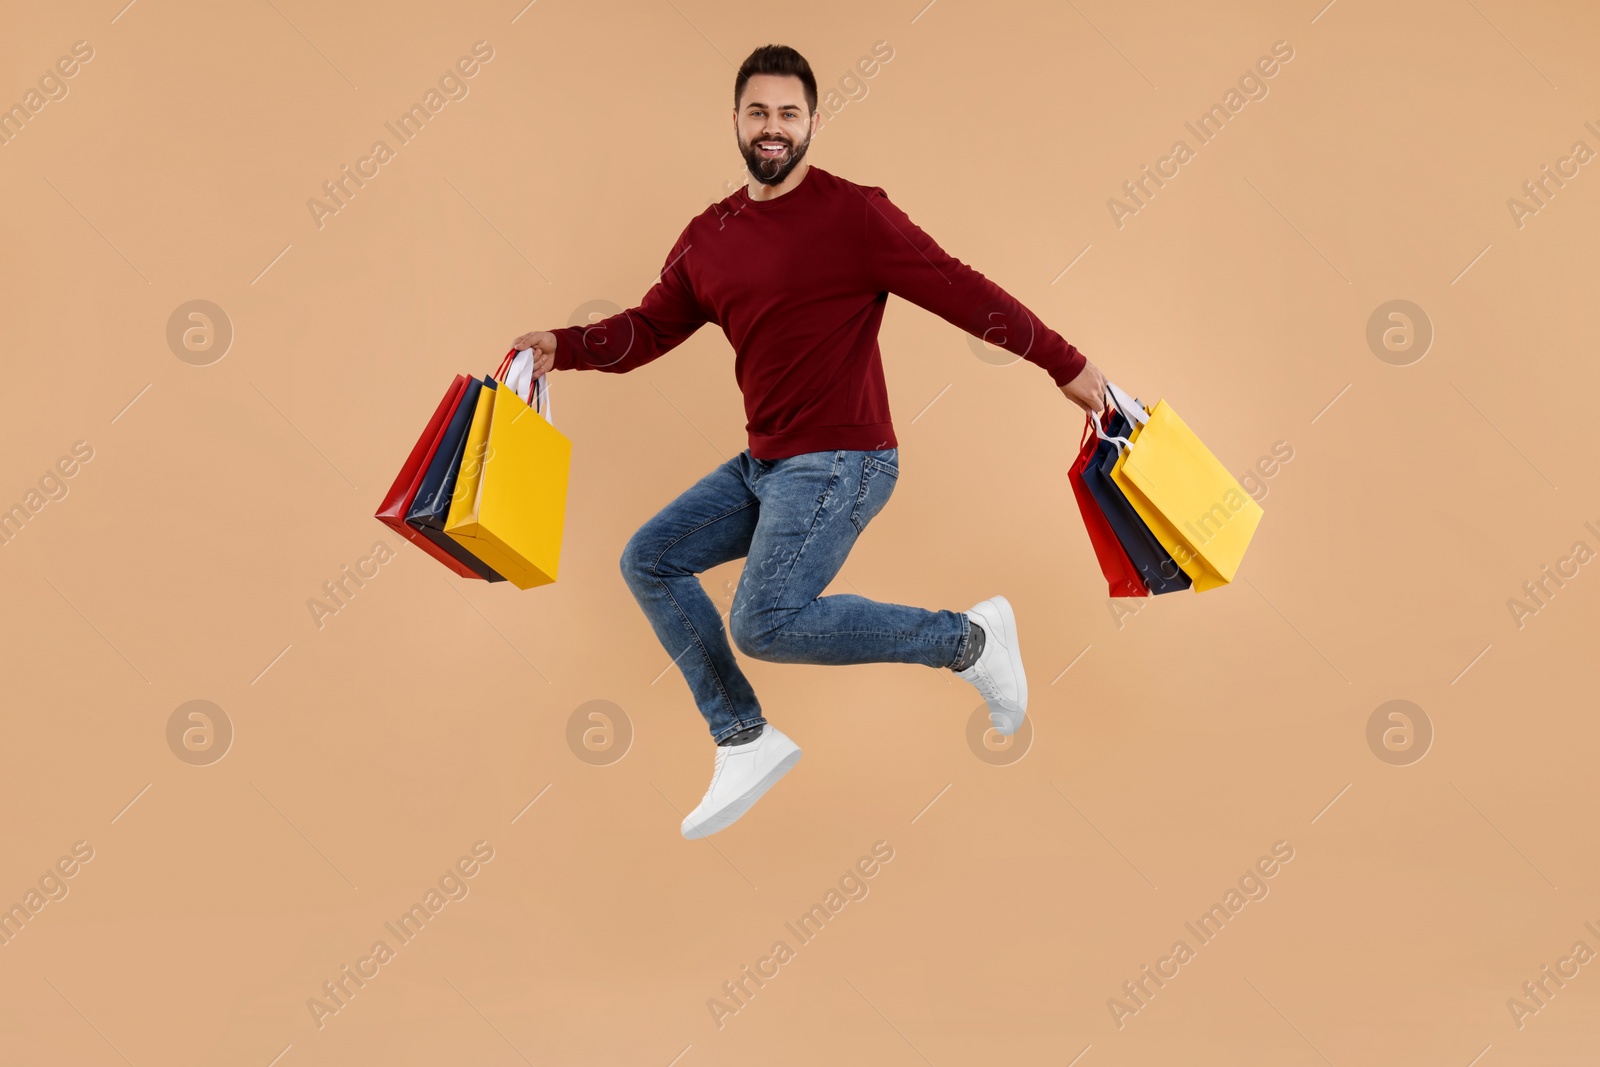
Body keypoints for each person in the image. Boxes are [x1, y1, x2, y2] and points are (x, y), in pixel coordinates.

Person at [512, 44, 1107, 840]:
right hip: (767, 465)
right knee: (648, 559)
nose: (772, 128)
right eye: (758, 112)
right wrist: (565, 343)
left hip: (846, 459)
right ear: (735, 121)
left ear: (812, 123)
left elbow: (960, 286)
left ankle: (966, 640)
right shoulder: (707, 237)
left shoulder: (855, 214)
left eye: (788, 114)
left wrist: (1063, 364)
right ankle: (744, 737)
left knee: (764, 622)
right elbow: (650, 328)